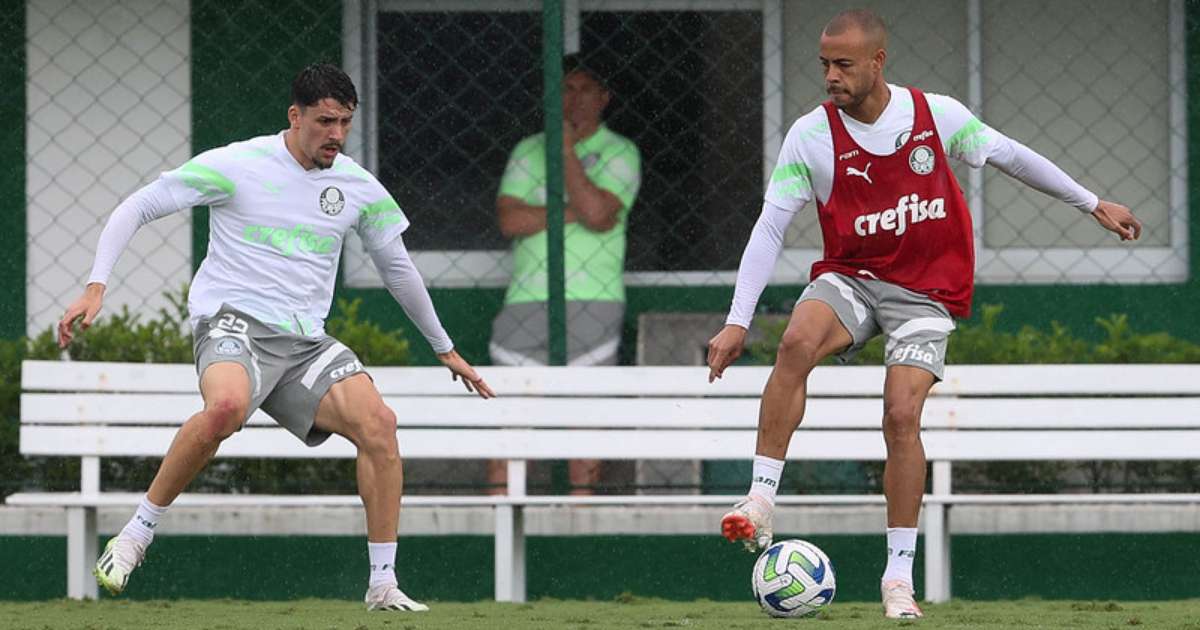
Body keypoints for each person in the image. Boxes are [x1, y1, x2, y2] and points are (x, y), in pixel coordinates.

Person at [705, 9, 1142, 620]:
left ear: (878, 62)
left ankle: (897, 579)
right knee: (797, 341)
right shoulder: (810, 134)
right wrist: (737, 319)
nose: (830, 76)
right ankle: (759, 500)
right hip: (853, 277)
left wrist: (1092, 203)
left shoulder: (937, 116)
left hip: (926, 291)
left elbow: (1012, 156)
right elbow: (771, 224)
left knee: (901, 413)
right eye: (824, 65)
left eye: (844, 65)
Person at [57, 63, 495, 612]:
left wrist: (444, 347)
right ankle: (136, 535)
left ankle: (382, 582)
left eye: (345, 123)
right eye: (324, 121)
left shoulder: (356, 186)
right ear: (296, 116)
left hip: (304, 343)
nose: (335, 134)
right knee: (226, 409)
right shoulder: (238, 164)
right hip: (232, 321)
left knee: (379, 425)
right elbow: (139, 206)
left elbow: (398, 268)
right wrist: (96, 286)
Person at [487, 53, 641, 495]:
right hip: (526, 296)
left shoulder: (620, 151)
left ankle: (580, 513)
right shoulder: (526, 149)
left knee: (583, 416)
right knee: (508, 414)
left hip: (595, 295)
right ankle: (499, 511)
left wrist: (567, 152)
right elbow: (509, 220)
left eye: (584, 89)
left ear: (604, 97)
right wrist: (573, 210)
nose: (573, 99)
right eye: (565, 89)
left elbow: (597, 213)